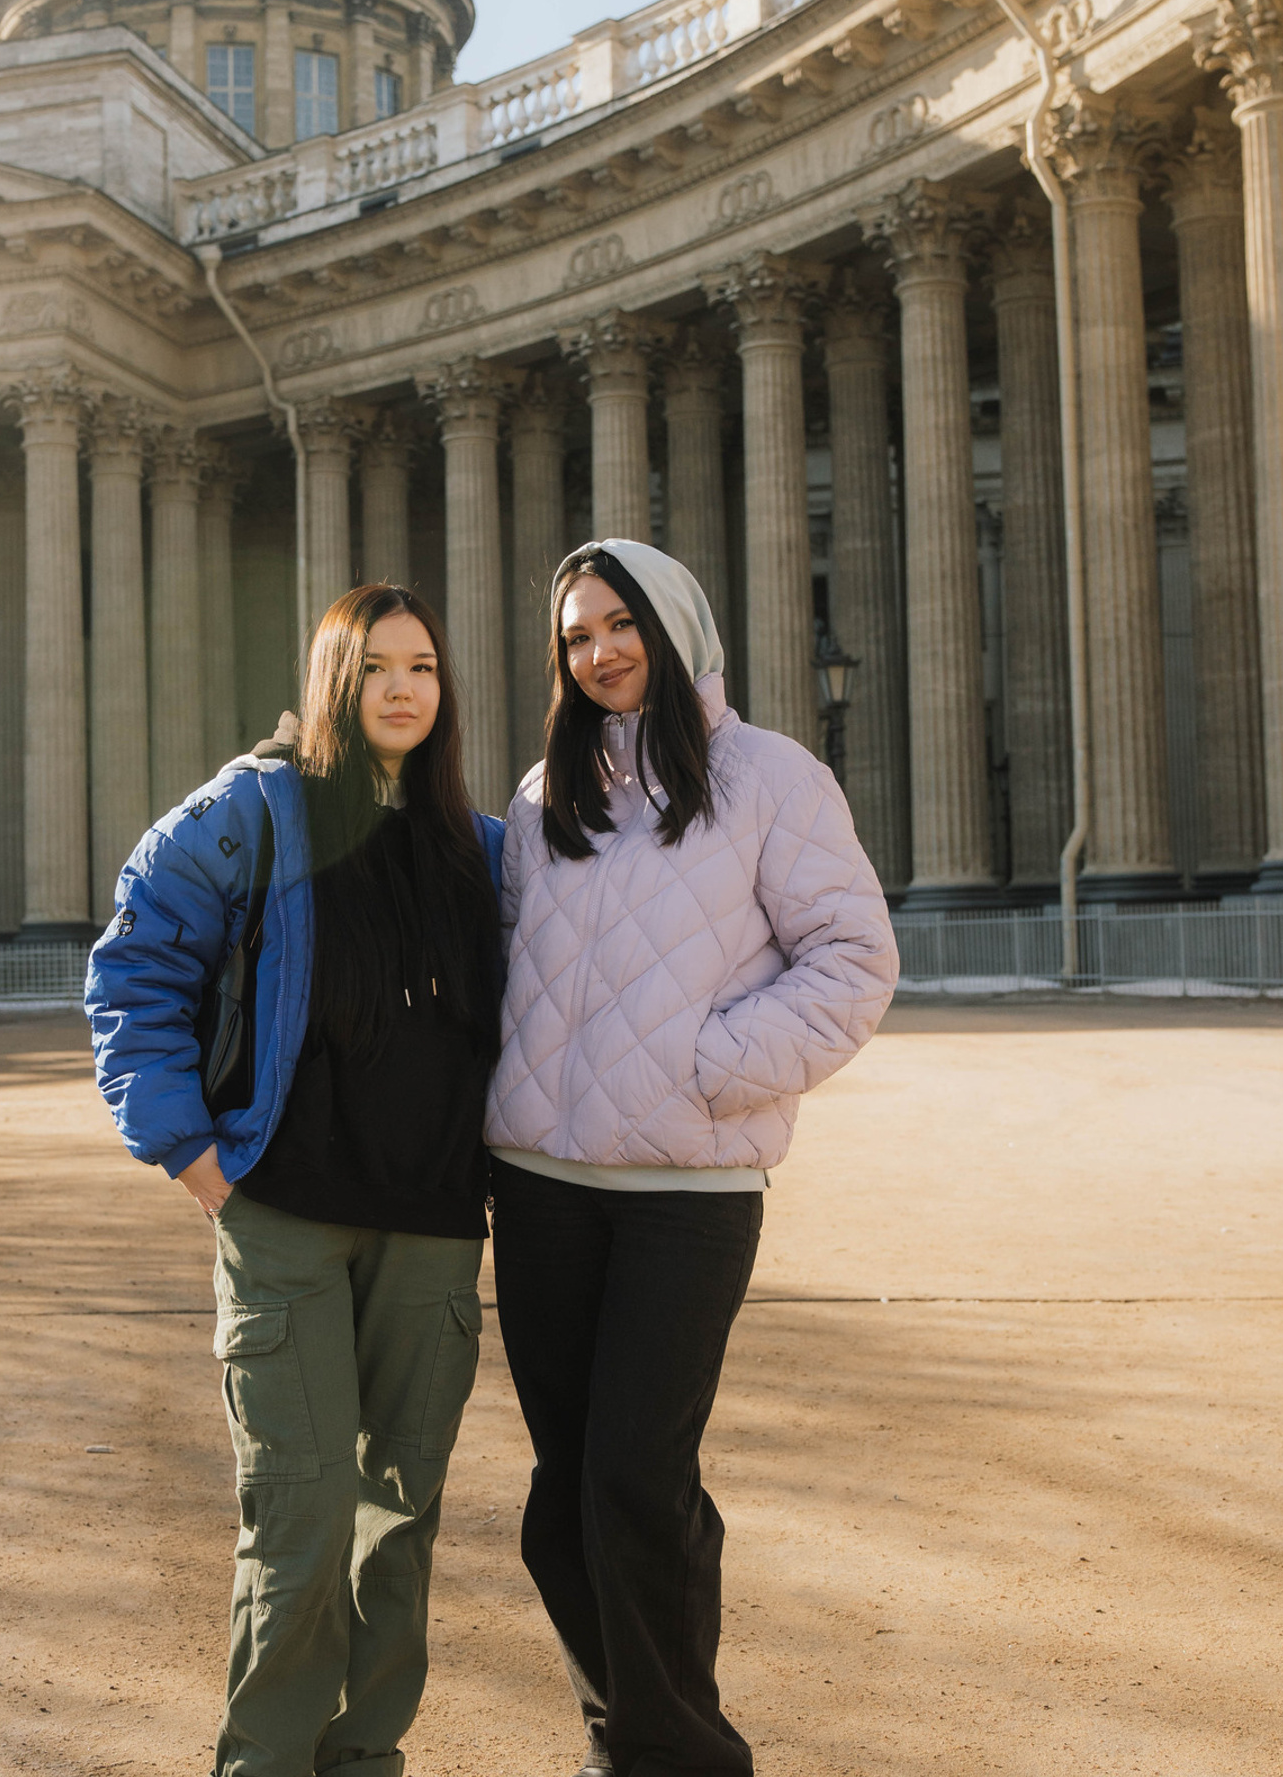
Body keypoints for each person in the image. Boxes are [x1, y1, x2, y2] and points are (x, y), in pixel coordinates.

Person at [488, 540, 898, 1777]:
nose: (600, 651)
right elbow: (505, 963)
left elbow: (854, 963)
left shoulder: (770, 777)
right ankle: (625, 1736)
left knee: (636, 1479)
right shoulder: (541, 797)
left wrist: (709, 1067)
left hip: (687, 1197)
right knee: (563, 1497)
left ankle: (680, 1758)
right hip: (543, 1192)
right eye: (576, 635)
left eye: (622, 624)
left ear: (676, 630)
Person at [87, 584, 506, 1777]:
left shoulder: (479, 844)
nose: (404, 688)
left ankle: (367, 1757)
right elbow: (134, 968)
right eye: (376, 666)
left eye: (423, 666)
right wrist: (190, 1153)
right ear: (332, 678)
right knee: (301, 1515)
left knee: (401, 1521)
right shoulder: (253, 810)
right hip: (285, 1217)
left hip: (433, 1225)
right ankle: (264, 1764)